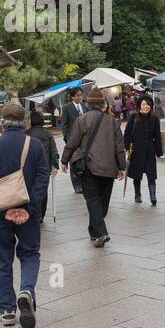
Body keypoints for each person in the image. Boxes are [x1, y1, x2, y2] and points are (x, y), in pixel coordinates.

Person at [0, 101, 49, 328]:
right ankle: (27, 289)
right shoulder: (35, 146)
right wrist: (29, 207)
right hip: (28, 213)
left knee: (2, 258)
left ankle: (7, 309)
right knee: (29, 253)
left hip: (1, 214)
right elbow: (42, 178)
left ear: (2, 122)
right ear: (24, 122)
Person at [60, 87, 126, 246]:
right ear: (103, 104)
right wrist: (122, 167)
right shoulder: (113, 121)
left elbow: (72, 142)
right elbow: (119, 146)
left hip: (88, 166)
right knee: (102, 201)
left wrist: (64, 161)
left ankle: (100, 232)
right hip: (109, 167)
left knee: (93, 199)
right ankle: (96, 232)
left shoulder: (81, 120)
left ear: (88, 104)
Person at [125, 94, 163, 205]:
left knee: (151, 174)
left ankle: (153, 196)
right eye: (143, 104)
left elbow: (157, 136)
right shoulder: (133, 117)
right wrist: (128, 147)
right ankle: (137, 194)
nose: (145, 107)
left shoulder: (155, 118)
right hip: (136, 150)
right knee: (137, 174)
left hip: (149, 150)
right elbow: (127, 133)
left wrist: (158, 151)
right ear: (139, 105)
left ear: (151, 106)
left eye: (148, 105)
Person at [27, 110, 60, 223]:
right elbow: (53, 150)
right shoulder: (48, 134)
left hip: (29, 166)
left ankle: (32, 211)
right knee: (43, 189)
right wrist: (55, 165)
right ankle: (41, 214)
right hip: (44, 167)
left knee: (29, 188)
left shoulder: (26, 133)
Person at [60, 87, 88, 193]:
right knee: (74, 161)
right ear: (72, 97)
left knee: (84, 162)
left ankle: (83, 182)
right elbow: (64, 125)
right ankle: (76, 184)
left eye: (81, 95)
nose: (80, 97)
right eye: (78, 95)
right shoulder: (67, 108)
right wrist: (67, 138)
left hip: (84, 140)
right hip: (73, 139)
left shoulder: (84, 106)